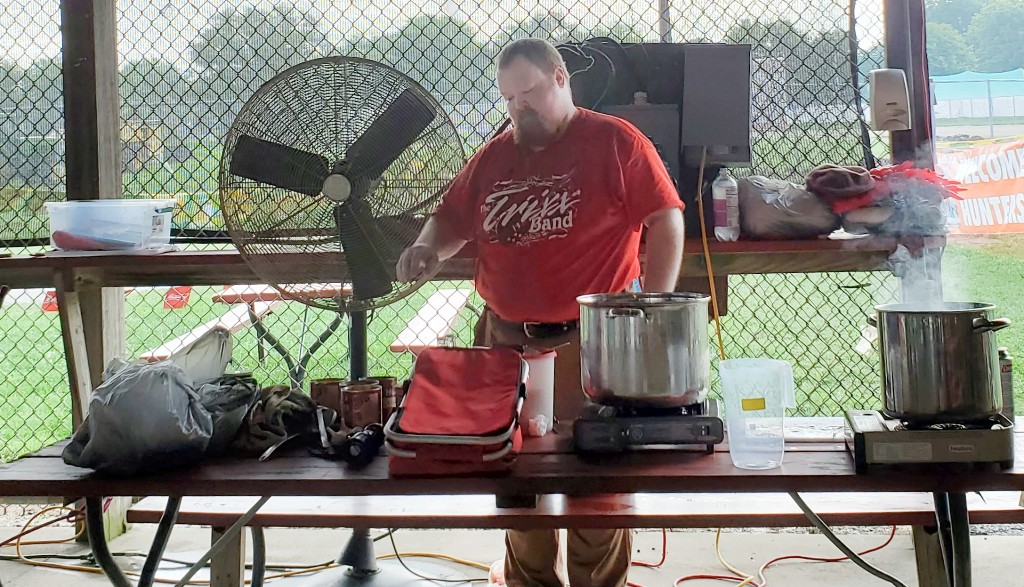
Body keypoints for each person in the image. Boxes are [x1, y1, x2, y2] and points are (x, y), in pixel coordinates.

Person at [396, 37, 685, 587]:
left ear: (560, 78)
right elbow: (452, 218)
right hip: (506, 341)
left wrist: (654, 304)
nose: (518, 107)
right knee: (512, 477)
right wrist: (428, 247)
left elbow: (666, 218)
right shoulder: (493, 156)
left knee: (596, 480)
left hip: (590, 342)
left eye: (528, 92)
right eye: (508, 98)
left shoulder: (615, 141)